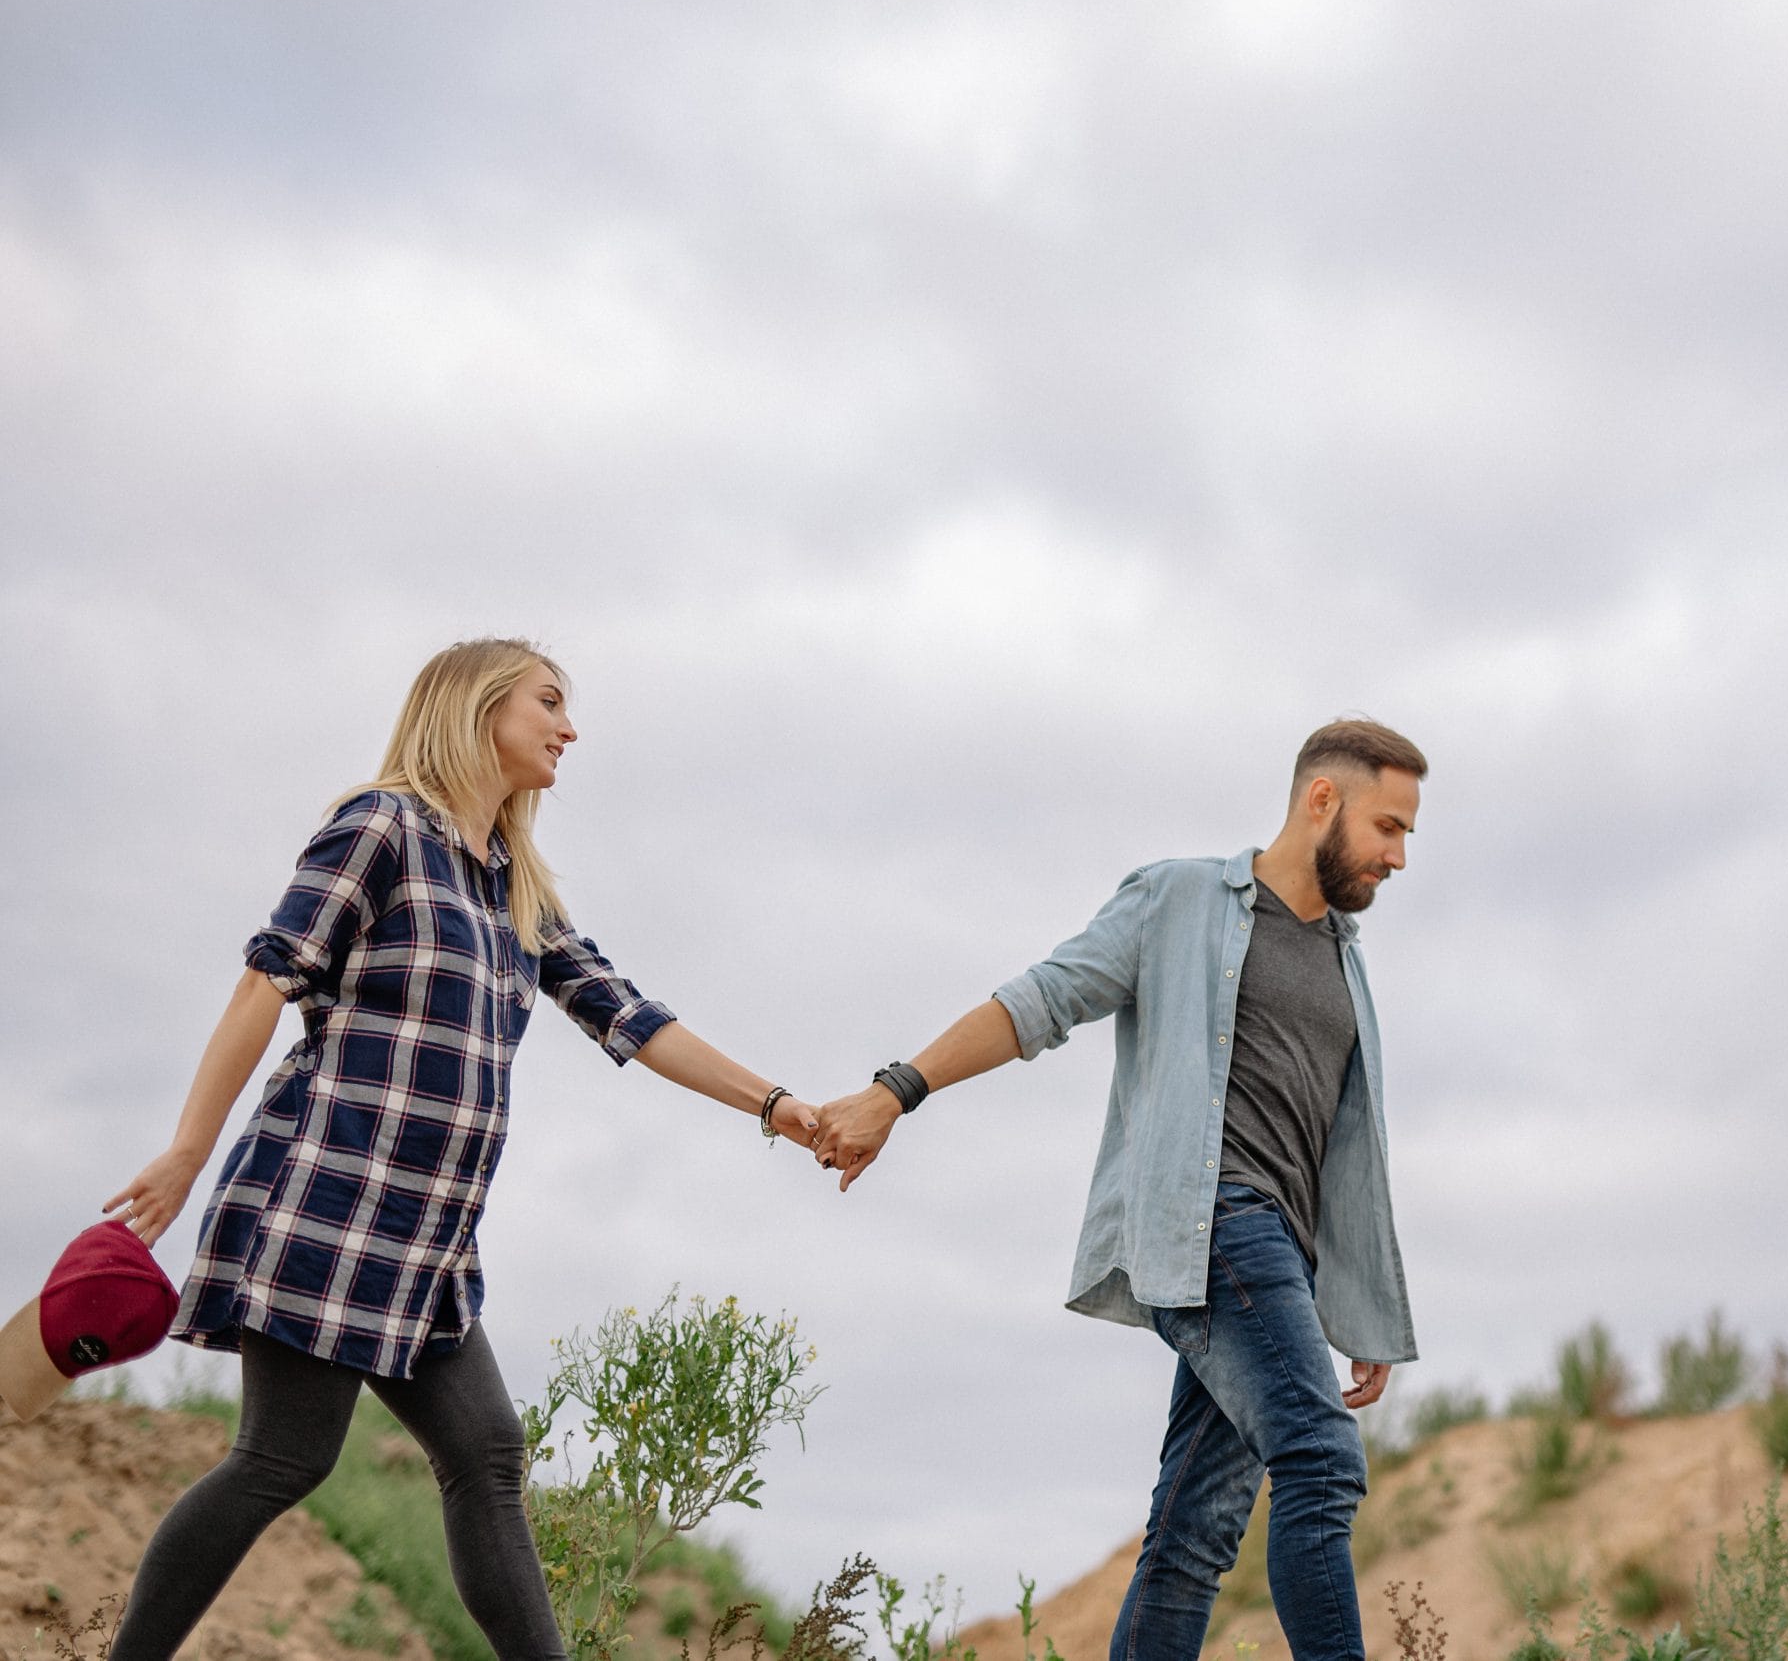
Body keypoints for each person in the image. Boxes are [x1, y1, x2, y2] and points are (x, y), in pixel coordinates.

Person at [100, 637, 819, 1661]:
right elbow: (267, 979)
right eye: (549, 702)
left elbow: (631, 1017)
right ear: (479, 706)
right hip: (326, 1197)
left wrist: (778, 1106)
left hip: (430, 1236)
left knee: (486, 1456)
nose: (569, 729)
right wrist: (186, 1151)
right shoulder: (380, 827)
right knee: (282, 1458)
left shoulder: (514, 886)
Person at [811, 718, 1430, 1661]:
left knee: (1191, 1536)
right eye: (1389, 827)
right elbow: (1043, 998)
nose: (1396, 855)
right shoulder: (1181, 899)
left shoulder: (1347, 964)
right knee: (1319, 1458)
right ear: (1322, 800)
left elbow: (1341, 1155)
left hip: (1280, 1265)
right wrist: (899, 1089)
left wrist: (1364, 1312)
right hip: (1215, 1223)